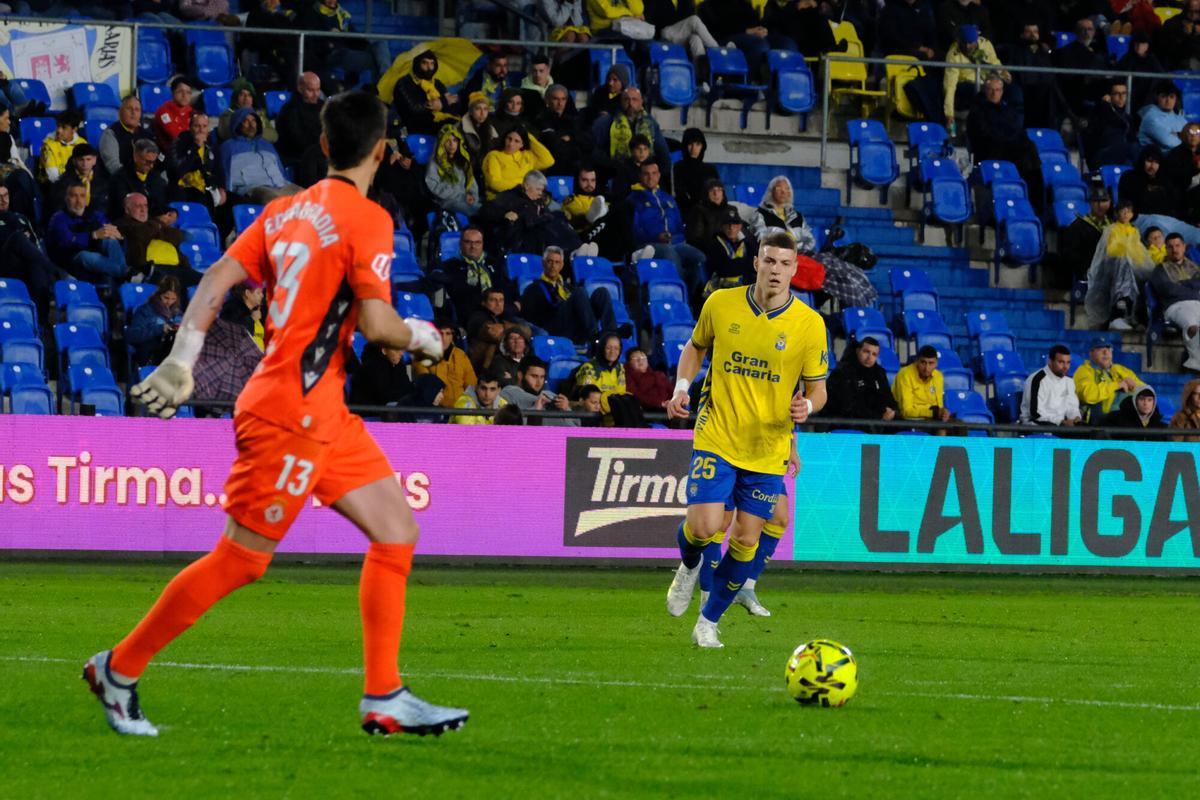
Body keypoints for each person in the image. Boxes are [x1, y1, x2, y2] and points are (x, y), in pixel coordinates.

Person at [87, 89, 467, 738]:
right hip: (293, 411)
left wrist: (183, 357)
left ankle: (384, 695)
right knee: (242, 559)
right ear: (381, 151)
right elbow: (377, 325)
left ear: (323, 145)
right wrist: (423, 337)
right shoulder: (368, 218)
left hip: (323, 409)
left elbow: (216, 277)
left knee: (396, 530)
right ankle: (118, 668)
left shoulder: (286, 210)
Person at [663, 229, 828, 648]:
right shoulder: (721, 303)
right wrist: (682, 387)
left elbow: (818, 388)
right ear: (756, 262)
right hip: (717, 433)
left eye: (784, 264)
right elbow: (695, 347)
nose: (775, 270)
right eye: (769, 260)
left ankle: (708, 621)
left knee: (745, 539)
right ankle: (689, 566)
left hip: (767, 448)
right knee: (703, 527)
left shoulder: (810, 325)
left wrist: (808, 407)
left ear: (794, 269)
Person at [629, 160, 707, 297]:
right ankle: (680, 300)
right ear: (640, 176)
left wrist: (676, 238)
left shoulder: (668, 198)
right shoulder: (633, 200)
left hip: (675, 243)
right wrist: (656, 237)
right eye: (646, 174)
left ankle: (694, 298)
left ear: (659, 175)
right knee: (671, 255)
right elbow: (634, 231)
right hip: (650, 244)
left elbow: (680, 227)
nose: (650, 177)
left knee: (699, 258)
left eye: (654, 173)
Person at [518, 245, 622, 341]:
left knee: (602, 292)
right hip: (553, 329)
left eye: (557, 262)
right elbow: (529, 318)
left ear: (562, 265)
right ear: (543, 263)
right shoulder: (534, 288)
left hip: (574, 326)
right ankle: (595, 337)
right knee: (580, 292)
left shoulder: (567, 287)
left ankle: (611, 336)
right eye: (550, 261)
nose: (553, 266)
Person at [0, 184, 69, 320]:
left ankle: (41, 321)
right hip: (4, 265)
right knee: (18, 238)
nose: (4, 200)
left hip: (25, 265)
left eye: (6, 195)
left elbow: (36, 246)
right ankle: (57, 273)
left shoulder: (21, 218)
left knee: (36, 264)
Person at [1085, 198, 1153, 331]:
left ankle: (1137, 316)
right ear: (1117, 213)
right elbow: (1110, 251)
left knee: (1149, 273)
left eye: (1129, 211)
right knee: (1124, 265)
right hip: (1112, 266)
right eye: (1123, 211)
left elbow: (1140, 253)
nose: (1126, 214)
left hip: (1131, 266)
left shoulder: (1134, 231)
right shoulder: (1111, 229)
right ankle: (1118, 314)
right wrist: (1126, 254)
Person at [481, 169, 582, 257]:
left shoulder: (537, 201)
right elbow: (485, 210)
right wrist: (504, 215)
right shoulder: (509, 197)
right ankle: (572, 251)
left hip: (538, 236)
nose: (540, 193)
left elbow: (546, 216)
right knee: (548, 225)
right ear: (526, 186)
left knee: (558, 217)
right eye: (538, 189)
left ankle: (578, 248)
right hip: (520, 239)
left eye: (541, 190)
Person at [46, 183, 127, 284]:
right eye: (74, 196)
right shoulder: (58, 218)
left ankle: (124, 274)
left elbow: (108, 229)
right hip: (70, 257)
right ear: (66, 199)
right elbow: (67, 241)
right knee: (85, 256)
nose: (78, 201)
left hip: (96, 252)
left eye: (82, 196)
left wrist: (118, 236)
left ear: (86, 199)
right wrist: (93, 235)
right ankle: (126, 273)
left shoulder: (96, 215)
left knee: (111, 241)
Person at [221, 108, 300, 203]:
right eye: (246, 121)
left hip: (281, 186)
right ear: (237, 124)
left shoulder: (267, 145)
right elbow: (226, 177)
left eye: (253, 121)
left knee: (308, 197)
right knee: (275, 200)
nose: (251, 125)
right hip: (254, 188)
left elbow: (281, 172)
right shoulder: (228, 147)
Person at [114, 192, 194, 286]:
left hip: (176, 267)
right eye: (138, 206)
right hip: (150, 269)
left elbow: (178, 236)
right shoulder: (122, 224)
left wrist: (155, 228)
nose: (143, 209)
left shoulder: (152, 223)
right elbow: (140, 233)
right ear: (127, 210)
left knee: (205, 282)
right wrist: (158, 225)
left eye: (145, 206)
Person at [1149, 232, 1200, 371]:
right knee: (1192, 327)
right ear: (1166, 249)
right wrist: (1192, 288)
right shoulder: (1160, 270)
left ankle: (1193, 360)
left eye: (1178, 246)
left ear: (1184, 247)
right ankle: (1196, 361)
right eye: (1170, 247)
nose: (1175, 249)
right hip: (1175, 306)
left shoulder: (1194, 267)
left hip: (1197, 304)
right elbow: (1168, 290)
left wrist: (1181, 284)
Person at [438, 226, 511, 322]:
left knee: (525, 328)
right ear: (460, 244)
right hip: (471, 316)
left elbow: (505, 288)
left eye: (477, 242)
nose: (473, 247)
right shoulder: (450, 266)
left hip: (501, 312)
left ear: (482, 244)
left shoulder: (494, 263)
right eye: (468, 242)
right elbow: (459, 296)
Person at [167, 112, 228, 223]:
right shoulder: (180, 142)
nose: (201, 130)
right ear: (190, 128)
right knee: (201, 200)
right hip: (184, 187)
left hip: (206, 187)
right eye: (197, 126)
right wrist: (195, 147)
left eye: (204, 126)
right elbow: (178, 170)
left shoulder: (212, 145)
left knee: (233, 204)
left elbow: (219, 169)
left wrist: (222, 188)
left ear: (208, 129)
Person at [943, 25, 1007, 130]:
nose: (967, 46)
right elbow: (950, 86)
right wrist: (949, 114)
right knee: (985, 92)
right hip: (965, 87)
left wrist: (1004, 73)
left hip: (987, 81)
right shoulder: (953, 55)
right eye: (964, 43)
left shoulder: (985, 44)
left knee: (1013, 91)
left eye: (971, 43)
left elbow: (994, 62)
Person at [824, 336, 897, 423]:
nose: (869, 357)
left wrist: (892, 411)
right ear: (857, 351)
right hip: (845, 422)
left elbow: (888, 397)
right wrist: (879, 415)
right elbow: (847, 406)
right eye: (866, 352)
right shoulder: (842, 372)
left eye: (874, 354)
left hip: (875, 421)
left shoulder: (879, 373)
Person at [1000, 21, 1059, 130]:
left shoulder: (1043, 51)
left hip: (1042, 89)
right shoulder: (1014, 50)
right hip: (1024, 87)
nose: (1033, 35)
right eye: (1029, 32)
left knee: (1052, 89)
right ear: (1022, 34)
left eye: (1035, 32)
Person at [1074, 337, 1142, 424]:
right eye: (1100, 349)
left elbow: (1146, 391)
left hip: (1124, 420)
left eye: (1109, 349)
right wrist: (1116, 385)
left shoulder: (1121, 370)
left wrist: (1134, 386)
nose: (1106, 353)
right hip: (1098, 423)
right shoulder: (1084, 371)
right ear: (1091, 353)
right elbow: (1088, 395)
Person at [1053, 185, 1111, 288]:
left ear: (1109, 202)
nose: (1100, 205)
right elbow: (1070, 255)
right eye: (1096, 201)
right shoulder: (1078, 226)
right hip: (1088, 274)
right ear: (1090, 203)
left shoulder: (1114, 225)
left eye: (1104, 201)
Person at [412, 319, 478, 407]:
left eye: (448, 333)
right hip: (434, 409)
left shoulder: (461, 355)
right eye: (440, 333)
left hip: (462, 409)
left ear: (452, 337)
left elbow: (471, 386)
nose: (444, 338)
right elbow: (426, 389)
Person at [499, 354, 579, 426]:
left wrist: (566, 410)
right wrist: (535, 410)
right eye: (534, 376)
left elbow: (576, 428)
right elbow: (508, 427)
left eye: (542, 377)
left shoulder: (550, 395)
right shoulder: (509, 393)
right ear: (520, 375)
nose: (539, 382)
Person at [1052, 17, 1108, 117]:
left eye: (1089, 29)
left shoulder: (1098, 50)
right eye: (1083, 29)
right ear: (1076, 32)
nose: (1086, 33)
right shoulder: (1066, 52)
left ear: (1094, 32)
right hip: (1076, 93)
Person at [393, 50, 457, 136]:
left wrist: (444, 102)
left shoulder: (437, 83)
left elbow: (452, 102)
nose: (429, 67)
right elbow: (414, 108)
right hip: (412, 129)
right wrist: (442, 102)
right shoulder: (404, 82)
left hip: (438, 124)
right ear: (417, 64)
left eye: (432, 63)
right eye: (425, 63)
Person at [481, 127, 554, 200]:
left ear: (522, 144)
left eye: (517, 141)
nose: (511, 144)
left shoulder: (527, 155)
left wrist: (529, 137)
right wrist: (524, 186)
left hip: (525, 197)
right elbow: (494, 183)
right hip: (501, 198)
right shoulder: (494, 156)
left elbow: (549, 161)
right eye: (509, 139)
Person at [425, 124, 481, 218]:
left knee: (485, 209)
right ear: (442, 143)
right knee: (476, 213)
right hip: (448, 202)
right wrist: (462, 195)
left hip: (466, 199)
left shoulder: (462, 160)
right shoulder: (434, 163)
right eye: (448, 140)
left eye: (455, 140)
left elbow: (471, 181)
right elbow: (434, 187)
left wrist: (472, 195)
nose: (452, 144)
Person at [127, 275, 184, 367]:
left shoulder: (177, 313)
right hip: (151, 355)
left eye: (173, 299)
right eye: (166, 298)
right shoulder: (145, 310)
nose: (169, 302)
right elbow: (132, 335)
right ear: (159, 294)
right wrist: (159, 329)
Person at [108, 139, 170, 221]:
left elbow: (163, 201)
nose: (151, 166)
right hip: (130, 223)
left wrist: (172, 212)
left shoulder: (155, 177)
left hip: (155, 221)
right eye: (147, 162)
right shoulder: (120, 178)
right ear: (136, 157)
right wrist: (156, 220)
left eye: (153, 162)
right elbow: (125, 210)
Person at [751, 175, 816, 253]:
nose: (783, 192)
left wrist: (797, 249)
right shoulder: (760, 214)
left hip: (799, 256)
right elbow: (762, 240)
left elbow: (810, 240)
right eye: (779, 189)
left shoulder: (798, 217)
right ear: (771, 191)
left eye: (787, 189)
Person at [1020, 345, 1082, 426]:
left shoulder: (1069, 382)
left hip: (1060, 425)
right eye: (1061, 362)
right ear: (1050, 361)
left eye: (1068, 362)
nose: (1065, 367)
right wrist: (1061, 422)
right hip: (1036, 425)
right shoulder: (1037, 379)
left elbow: (1072, 407)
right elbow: (1035, 414)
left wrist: (1076, 417)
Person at [465, 287, 526, 371]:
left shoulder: (503, 316)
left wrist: (504, 327)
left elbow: (527, 331)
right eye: (493, 300)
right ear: (483, 303)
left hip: (502, 364)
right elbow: (494, 333)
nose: (498, 304)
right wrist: (517, 331)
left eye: (501, 300)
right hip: (482, 367)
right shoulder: (477, 317)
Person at [1084, 78, 1138, 171]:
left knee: (1129, 161)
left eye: (1124, 93)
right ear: (1108, 96)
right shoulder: (1100, 112)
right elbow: (1116, 122)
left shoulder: (1128, 118)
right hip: (1100, 157)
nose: (1121, 97)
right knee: (1132, 148)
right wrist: (1105, 105)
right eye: (1117, 94)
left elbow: (1132, 138)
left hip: (1121, 155)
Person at [274, 72, 325, 169]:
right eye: (311, 90)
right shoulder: (289, 110)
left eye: (318, 90)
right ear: (300, 89)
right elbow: (297, 140)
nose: (316, 94)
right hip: (299, 157)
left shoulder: (322, 106)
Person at [701, 206, 757, 294]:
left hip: (743, 285)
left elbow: (754, 264)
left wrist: (735, 264)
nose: (731, 228)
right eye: (728, 225)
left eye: (735, 224)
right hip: (719, 288)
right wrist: (746, 263)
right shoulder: (715, 243)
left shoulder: (748, 242)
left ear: (740, 226)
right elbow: (723, 270)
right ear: (722, 226)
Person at [537, 84, 588, 177]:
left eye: (563, 99)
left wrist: (571, 137)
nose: (560, 103)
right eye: (556, 99)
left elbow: (587, 141)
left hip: (574, 167)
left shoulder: (574, 119)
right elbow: (554, 145)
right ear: (547, 100)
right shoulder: (541, 120)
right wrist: (573, 140)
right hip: (551, 168)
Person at [644, 0, 720, 60]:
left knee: (695, 38)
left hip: (680, 34)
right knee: (694, 20)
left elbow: (687, 19)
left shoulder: (685, 1)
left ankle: (701, 72)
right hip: (664, 32)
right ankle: (718, 52)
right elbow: (650, 19)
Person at [1119, 146, 1180, 219]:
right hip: (1139, 218)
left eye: (1156, 162)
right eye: (1149, 161)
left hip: (1164, 219)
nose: (1152, 166)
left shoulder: (1164, 180)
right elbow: (1129, 205)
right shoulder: (1129, 178)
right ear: (1142, 160)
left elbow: (1172, 205)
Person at [893, 345, 949, 423]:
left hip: (931, 419)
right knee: (942, 428)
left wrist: (943, 413)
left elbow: (939, 407)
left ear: (936, 363)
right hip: (908, 421)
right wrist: (932, 413)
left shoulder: (938, 376)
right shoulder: (905, 375)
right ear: (917, 361)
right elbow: (906, 412)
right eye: (923, 362)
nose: (926, 368)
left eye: (931, 363)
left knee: (959, 426)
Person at [348, 343, 414, 411]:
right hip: (369, 413)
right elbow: (384, 396)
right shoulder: (371, 369)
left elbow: (407, 390)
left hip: (389, 411)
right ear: (384, 350)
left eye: (402, 350)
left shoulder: (399, 366)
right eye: (396, 350)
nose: (401, 353)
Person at [100, 95, 153, 177]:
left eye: (137, 110)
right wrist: (135, 179)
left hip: (145, 178)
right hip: (120, 180)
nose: (133, 112)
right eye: (129, 108)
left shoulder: (146, 135)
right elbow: (113, 167)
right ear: (120, 112)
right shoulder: (110, 134)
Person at [575, 332, 628, 415]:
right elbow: (590, 400)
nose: (612, 351)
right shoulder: (589, 368)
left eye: (616, 348)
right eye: (608, 348)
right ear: (602, 348)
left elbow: (621, 394)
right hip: (593, 413)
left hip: (613, 411)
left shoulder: (620, 368)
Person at [52, 142, 109, 217]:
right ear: (74, 161)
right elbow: (59, 209)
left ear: (94, 160)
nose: (85, 164)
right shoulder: (63, 183)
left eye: (88, 159)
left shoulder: (104, 181)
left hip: (97, 220)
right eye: (81, 160)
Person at [672, 128, 718, 216]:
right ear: (685, 146)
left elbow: (717, 192)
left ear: (702, 147)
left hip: (709, 213)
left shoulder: (710, 169)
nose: (694, 148)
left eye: (698, 144)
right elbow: (680, 193)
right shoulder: (678, 167)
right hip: (685, 212)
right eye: (690, 144)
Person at [216, 79, 276, 145]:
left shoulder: (260, 114)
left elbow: (274, 136)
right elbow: (226, 135)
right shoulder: (227, 115)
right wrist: (256, 131)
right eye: (242, 95)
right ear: (235, 98)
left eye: (249, 95)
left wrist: (250, 132)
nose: (246, 98)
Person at [38, 110, 86, 185]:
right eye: (58, 126)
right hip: (52, 185)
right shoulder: (49, 144)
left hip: (77, 183)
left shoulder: (82, 143)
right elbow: (53, 177)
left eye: (64, 127)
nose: (59, 130)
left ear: (74, 129)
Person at [1137, 82, 1186, 152]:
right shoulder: (1151, 117)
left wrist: (1178, 135)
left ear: (1176, 99)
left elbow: (1195, 138)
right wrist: (1182, 136)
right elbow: (1169, 142)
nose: (1168, 100)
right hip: (1155, 157)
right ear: (1157, 98)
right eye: (1163, 96)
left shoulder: (1180, 119)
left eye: (1171, 97)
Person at [152, 77, 195, 153]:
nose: (184, 95)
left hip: (188, 152)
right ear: (172, 93)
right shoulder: (163, 111)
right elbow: (174, 135)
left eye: (188, 92)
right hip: (168, 154)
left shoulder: (192, 112)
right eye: (180, 91)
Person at [685, 178, 731, 249]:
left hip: (730, 247)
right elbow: (695, 238)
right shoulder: (698, 211)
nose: (716, 194)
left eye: (719, 190)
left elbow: (740, 232)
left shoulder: (731, 209)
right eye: (712, 191)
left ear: (723, 193)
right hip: (708, 248)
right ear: (706, 194)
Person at [624, 347, 671, 411]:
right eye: (636, 358)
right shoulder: (628, 377)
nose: (640, 360)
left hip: (667, 407)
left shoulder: (658, 375)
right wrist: (660, 403)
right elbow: (636, 395)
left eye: (643, 357)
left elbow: (671, 390)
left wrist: (673, 401)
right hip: (645, 411)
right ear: (629, 363)